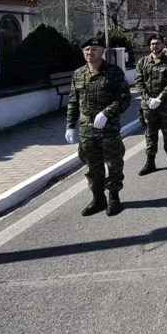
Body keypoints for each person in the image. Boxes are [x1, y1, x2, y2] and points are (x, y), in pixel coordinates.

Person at [65, 37, 131, 217]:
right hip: (86, 130)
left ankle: (114, 197)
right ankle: (98, 198)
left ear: (102, 51)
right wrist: (70, 125)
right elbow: (73, 101)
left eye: (94, 49)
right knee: (92, 166)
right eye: (87, 49)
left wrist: (106, 113)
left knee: (114, 163)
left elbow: (124, 99)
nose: (90, 53)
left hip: (108, 128)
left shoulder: (114, 72)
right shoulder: (78, 74)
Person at [135, 33, 167, 176]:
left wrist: (160, 98)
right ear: (149, 46)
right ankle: (150, 162)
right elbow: (138, 82)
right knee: (150, 134)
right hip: (148, 105)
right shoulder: (142, 62)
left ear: (162, 45)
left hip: (165, 104)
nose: (155, 46)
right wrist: (148, 99)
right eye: (153, 44)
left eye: (158, 43)